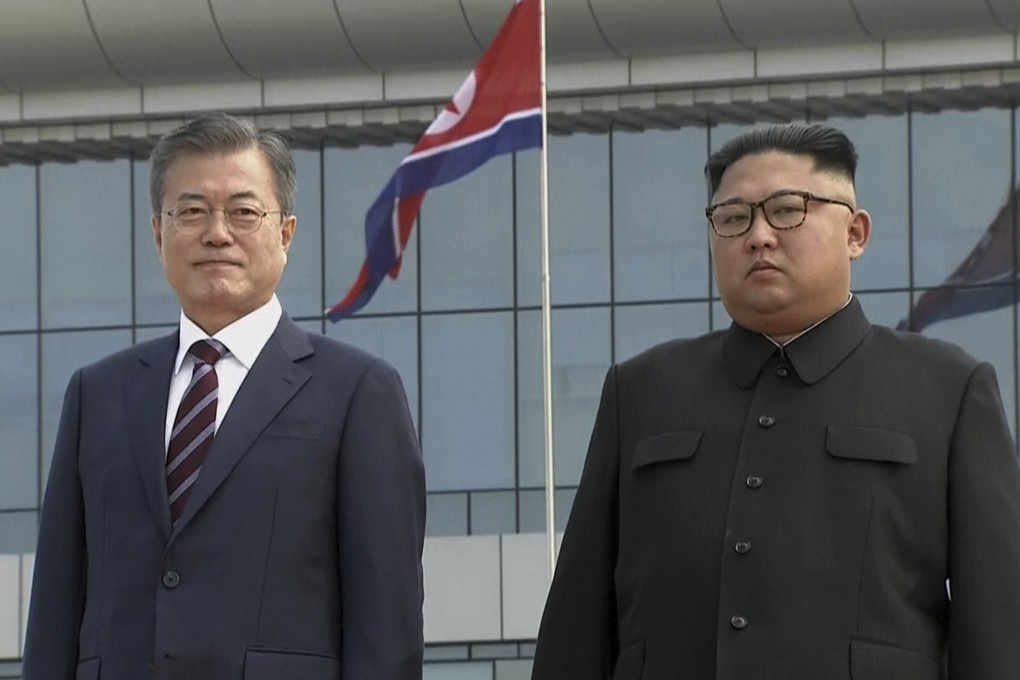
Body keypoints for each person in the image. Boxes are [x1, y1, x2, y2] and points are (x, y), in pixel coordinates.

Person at [531, 123, 1020, 679]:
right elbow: (576, 630)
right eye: (734, 218)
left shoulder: (946, 389)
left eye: (788, 210)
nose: (759, 236)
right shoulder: (641, 393)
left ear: (856, 233)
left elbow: (999, 634)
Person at [23, 113, 426, 680]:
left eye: (243, 211)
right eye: (191, 211)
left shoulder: (358, 394)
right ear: (159, 233)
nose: (217, 232)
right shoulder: (97, 396)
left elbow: (387, 634)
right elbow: (53, 619)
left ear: (285, 233)